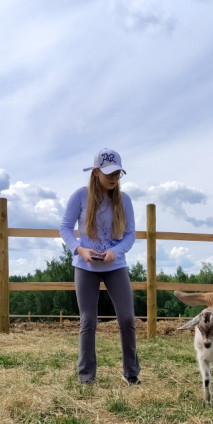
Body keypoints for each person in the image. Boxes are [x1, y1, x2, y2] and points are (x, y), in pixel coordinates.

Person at [60, 148, 141, 385]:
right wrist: (79, 249)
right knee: (89, 320)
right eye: (109, 173)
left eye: (118, 173)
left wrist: (114, 252)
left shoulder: (124, 200)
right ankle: (86, 377)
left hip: (115, 265)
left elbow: (130, 235)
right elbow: (65, 228)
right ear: (96, 172)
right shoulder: (80, 196)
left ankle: (132, 373)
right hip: (85, 266)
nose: (114, 178)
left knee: (126, 318)